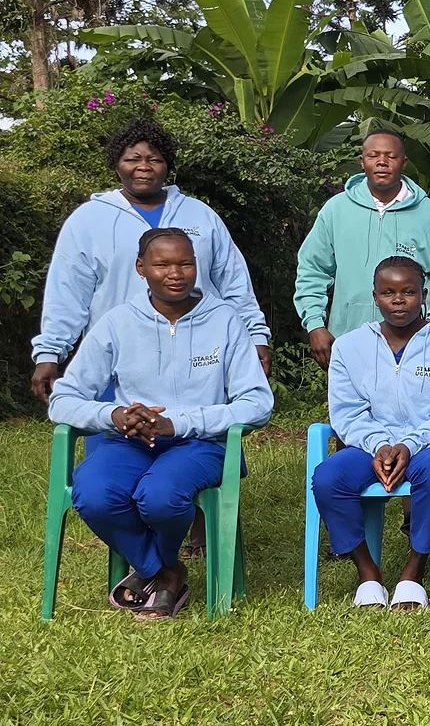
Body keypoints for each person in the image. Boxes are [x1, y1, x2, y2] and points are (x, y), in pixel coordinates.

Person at [48, 228, 273, 620]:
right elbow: (63, 398)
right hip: (130, 442)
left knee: (160, 497)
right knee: (94, 494)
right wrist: (112, 415)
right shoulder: (117, 322)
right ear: (140, 268)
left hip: (201, 444)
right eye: (162, 264)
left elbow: (257, 403)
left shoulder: (224, 321)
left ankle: (154, 572)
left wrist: (180, 423)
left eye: (186, 263)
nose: (176, 273)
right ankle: (166, 573)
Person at [32, 120, 272, 400]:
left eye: (154, 159)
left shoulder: (200, 216)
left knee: (202, 437)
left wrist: (255, 335)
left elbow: (233, 282)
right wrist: (49, 352)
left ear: (167, 165)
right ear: (116, 164)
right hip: (117, 360)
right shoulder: (88, 220)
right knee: (117, 439)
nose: (143, 167)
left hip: (201, 361)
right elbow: (67, 292)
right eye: (132, 159)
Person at [311, 256, 430, 610]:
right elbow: (347, 412)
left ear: (424, 294)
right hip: (371, 446)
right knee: (328, 478)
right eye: (388, 292)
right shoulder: (350, 347)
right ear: (375, 297)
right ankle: (368, 572)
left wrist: (410, 443)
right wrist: (380, 444)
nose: (398, 300)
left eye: (408, 292)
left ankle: (413, 572)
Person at [295, 129, 430, 370]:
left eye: (391, 156)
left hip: (416, 346)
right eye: (373, 155)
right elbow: (312, 269)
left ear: (404, 162)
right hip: (348, 341)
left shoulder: (428, 214)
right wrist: (315, 323)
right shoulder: (336, 210)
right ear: (362, 162)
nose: (382, 162)